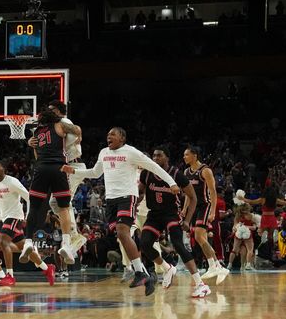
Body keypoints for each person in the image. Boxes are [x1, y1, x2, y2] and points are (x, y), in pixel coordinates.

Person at [63, 128, 181, 296]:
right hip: (111, 201)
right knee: (121, 236)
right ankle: (151, 273)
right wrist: (74, 171)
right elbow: (95, 173)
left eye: (113, 134)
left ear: (122, 138)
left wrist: (171, 183)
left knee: (123, 232)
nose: (108, 136)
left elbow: (154, 167)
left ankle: (140, 272)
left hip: (127, 197)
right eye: (108, 134)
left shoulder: (131, 152)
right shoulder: (104, 152)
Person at [137, 147, 210, 298]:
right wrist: (132, 203)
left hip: (172, 214)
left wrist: (188, 220)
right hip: (154, 214)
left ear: (167, 158)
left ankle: (200, 284)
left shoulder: (176, 174)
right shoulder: (147, 173)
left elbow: (193, 197)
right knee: (144, 243)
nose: (155, 158)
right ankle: (167, 267)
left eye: (159, 155)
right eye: (154, 155)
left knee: (178, 244)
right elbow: (140, 192)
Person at [26, 107, 81, 264]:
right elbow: (77, 130)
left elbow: (37, 155)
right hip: (60, 167)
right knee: (61, 205)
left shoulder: (38, 131)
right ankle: (68, 241)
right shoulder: (61, 125)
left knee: (38, 206)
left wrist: (32, 144)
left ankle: (29, 241)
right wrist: (79, 136)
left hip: (48, 167)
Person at [0, 160, 56, 286]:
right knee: (22, 247)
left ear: (3, 168)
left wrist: (29, 215)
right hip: (5, 218)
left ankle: (10, 276)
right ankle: (47, 269)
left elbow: (29, 197)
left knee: (3, 242)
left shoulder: (12, 181)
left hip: (15, 217)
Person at [183, 146, 229, 284]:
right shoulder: (186, 172)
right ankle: (217, 266)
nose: (184, 157)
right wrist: (185, 209)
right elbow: (188, 194)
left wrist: (213, 210)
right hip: (194, 207)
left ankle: (214, 265)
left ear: (195, 156)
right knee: (200, 237)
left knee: (198, 235)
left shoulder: (205, 170)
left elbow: (213, 192)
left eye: (186, 155)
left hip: (205, 206)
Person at [47, 100, 87, 256]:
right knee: (55, 201)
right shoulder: (57, 125)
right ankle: (74, 235)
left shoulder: (63, 121)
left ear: (57, 111)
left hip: (73, 166)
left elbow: (75, 128)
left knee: (60, 201)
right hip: (66, 167)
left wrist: (79, 132)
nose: (49, 113)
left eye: (51, 110)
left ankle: (74, 237)